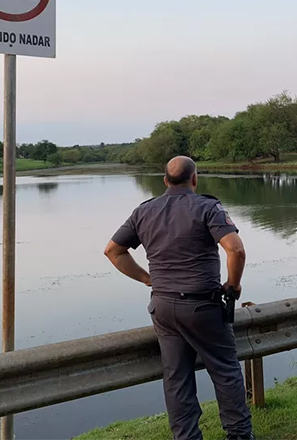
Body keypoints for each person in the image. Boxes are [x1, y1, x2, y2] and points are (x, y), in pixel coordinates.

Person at [103, 156, 253, 440]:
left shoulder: (143, 211)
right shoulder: (208, 207)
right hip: (202, 306)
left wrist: (149, 279)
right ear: (194, 179)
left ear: (165, 181)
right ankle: (239, 436)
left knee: (176, 380)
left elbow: (113, 251)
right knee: (225, 373)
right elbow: (236, 250)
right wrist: (233, 287)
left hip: (162, 307)